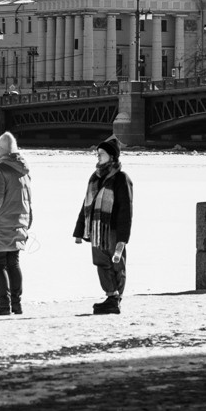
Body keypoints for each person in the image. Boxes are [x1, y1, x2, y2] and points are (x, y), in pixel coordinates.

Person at [73, 135, 134, 315]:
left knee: (117, 264)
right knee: (101, 263)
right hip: (97, 230)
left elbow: (126, 210)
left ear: (112, 157)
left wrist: (122, 238)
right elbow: (86, 206)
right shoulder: (95, 178)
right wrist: (79, 231)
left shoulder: (121, 178)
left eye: (102, 153)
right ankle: (110, 295)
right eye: (97, 154)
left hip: (113, 230)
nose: (98, 156)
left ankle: (116, 299)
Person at [0, 131, 33, 315]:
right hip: (18, 222)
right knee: (13, 262)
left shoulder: (0, 171)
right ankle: (16, 304)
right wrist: (27, 220)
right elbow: (28, 201)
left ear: (0, 150)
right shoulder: (24, 172)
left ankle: (4, 305)